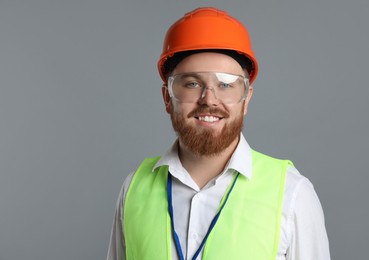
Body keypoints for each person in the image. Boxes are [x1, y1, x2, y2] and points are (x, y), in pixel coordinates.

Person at [107, 6, 330, 260]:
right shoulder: (133, 189)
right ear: (167, 98)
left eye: (225, 84)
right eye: (192, 83)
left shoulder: (293, 194)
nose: (209, 99)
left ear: (246, 100)